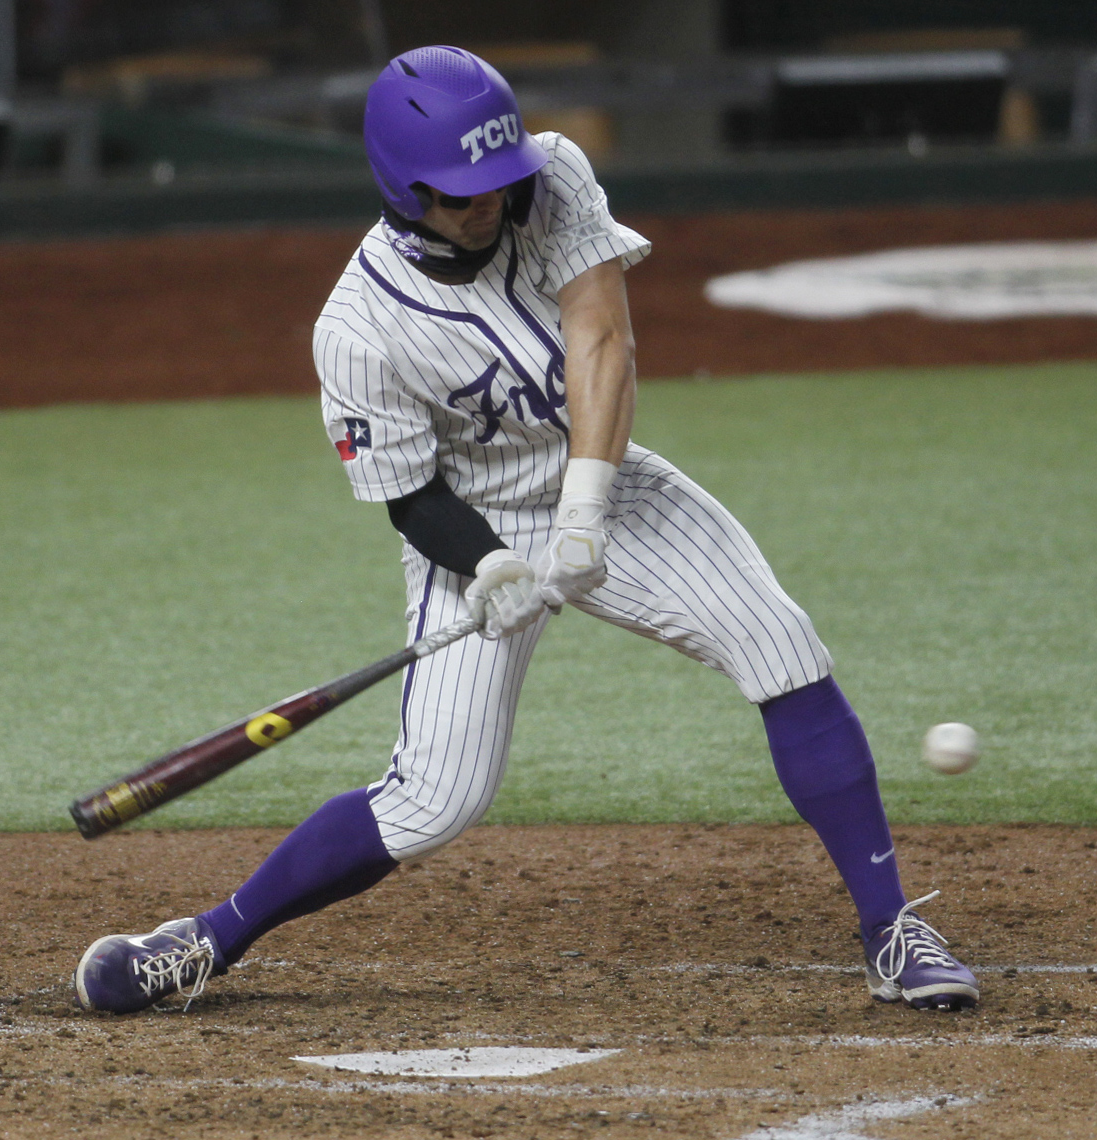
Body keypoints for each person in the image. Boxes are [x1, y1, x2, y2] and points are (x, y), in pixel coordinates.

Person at [74, 45, 978, 1016]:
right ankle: (206, 940)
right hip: (470, 523)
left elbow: (602, 340)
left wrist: (584, 511)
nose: (491, 204)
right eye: (463, 193)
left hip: (601, 472)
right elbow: (411, 495)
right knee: (433, 800)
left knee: (779, 642)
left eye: (498, 182)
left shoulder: (551, 176)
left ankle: (891, 928)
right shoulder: (358, 329)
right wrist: (495, 567)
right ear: (403, 186)